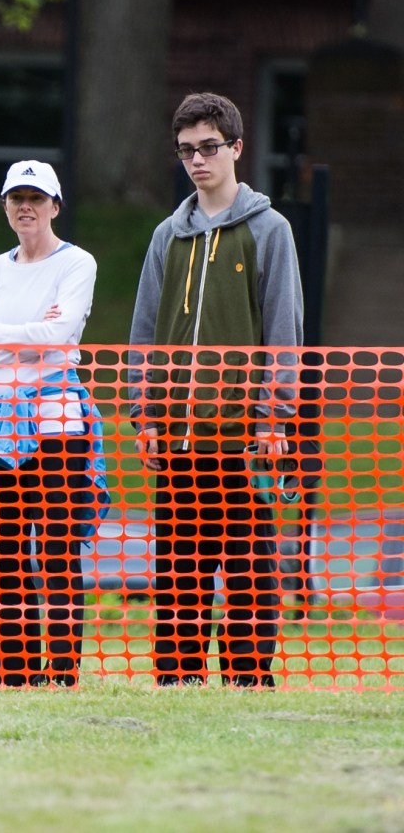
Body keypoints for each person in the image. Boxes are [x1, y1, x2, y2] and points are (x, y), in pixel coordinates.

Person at [130, 92, 303, 687]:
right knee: (179, 566)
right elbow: (144, 331)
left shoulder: (270, 229)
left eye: (208, 147)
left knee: (251, 565)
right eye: (185, 151)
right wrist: (143, 413)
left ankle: (248, 675)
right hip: (177, 440)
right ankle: (178, 675)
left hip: (245, 440)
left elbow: (284, 330)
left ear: (235, 148)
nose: (197, 160)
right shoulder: (166, 237)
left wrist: (273, 419)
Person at [0, 160, 108, 688]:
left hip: (58, 425)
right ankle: (12, 668)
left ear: (54, 206)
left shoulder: (78, 263)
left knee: (59, 548)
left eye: (36, 198)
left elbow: (62, 331)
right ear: (5, 206)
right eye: (16, 198)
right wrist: (22, 336)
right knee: (4, 548)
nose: (26, 207)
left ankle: (62, 668)